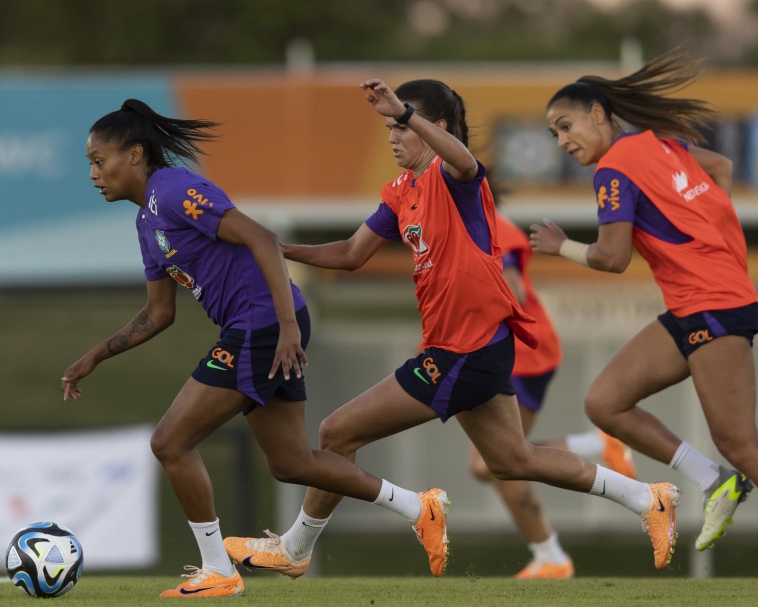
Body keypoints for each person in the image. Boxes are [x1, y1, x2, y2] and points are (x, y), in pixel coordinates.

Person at [224, 77, 680, 578]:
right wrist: (276, 248)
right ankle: (646, 498)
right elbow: (351, 254)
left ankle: (297, 548)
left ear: (434, 127)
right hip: (467, 349)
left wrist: (404, 113)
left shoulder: (455, 176)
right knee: (512, 461)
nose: (393, 137)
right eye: (389, 128)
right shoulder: (400, 192)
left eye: (401, 126)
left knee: (336, 432)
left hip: (466, 349)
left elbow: (465, 160)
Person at [60, 99, 450, 598]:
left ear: (135, 154)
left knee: (169, 442)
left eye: (99, 160)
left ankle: (217, 569)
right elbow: (160, 313)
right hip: (264, 325)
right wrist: (96, 355)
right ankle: (420, 508)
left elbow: (262, 238)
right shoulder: (146, 224)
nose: (94, 173)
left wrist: (286, 325)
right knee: (291, 464)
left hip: (262, 324)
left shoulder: (174, 189)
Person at [529, 48, 756, 553]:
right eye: (554, 135)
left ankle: (724, 472)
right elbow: (720, 167)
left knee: (742, 442)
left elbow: (612, 258)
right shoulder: (662, 146)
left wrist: (559, 245)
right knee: (605, 402)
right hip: (696, 303)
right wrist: (711, 239)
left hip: (711, 304)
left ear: (597, 114)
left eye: (567, 126)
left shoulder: (613, 169)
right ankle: (716, 479)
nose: (563, 141)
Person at [465, 208, 638, 579]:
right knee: (492, 464)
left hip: (519, 354)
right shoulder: (458, 219)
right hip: (511, 353)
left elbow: (515, 292)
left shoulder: (486, 221)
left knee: (492, 463)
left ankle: (552, 556)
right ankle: (597, 449)